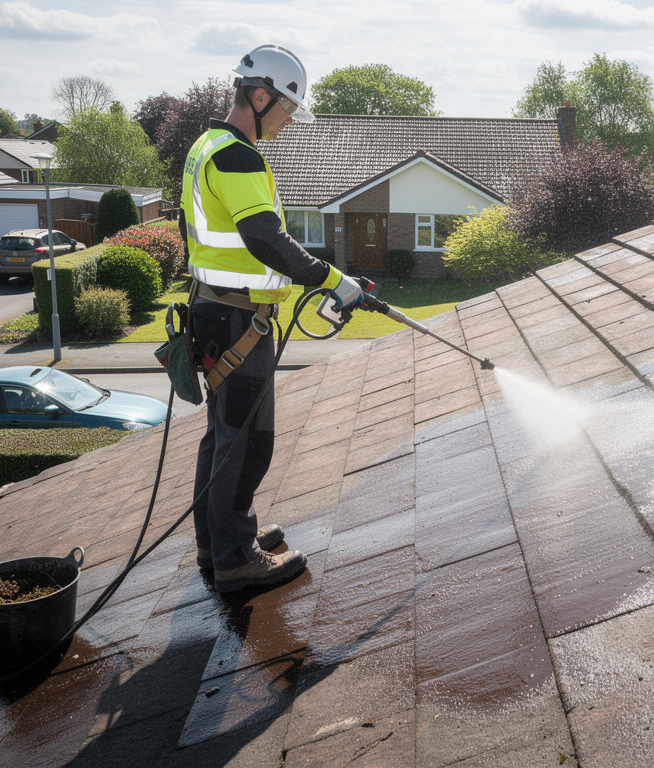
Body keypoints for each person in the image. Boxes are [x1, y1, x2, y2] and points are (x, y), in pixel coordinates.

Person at [180, 44, 361, 593]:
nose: (288, 120)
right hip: (238, 319)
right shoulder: (238, 156)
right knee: (247, 442)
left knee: (222, 437)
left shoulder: (205, 146)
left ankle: (218, 541)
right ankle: (236, 558)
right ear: (259, 98)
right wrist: (333, 279)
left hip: (216, 310)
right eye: (286, 108)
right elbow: (266, 239)